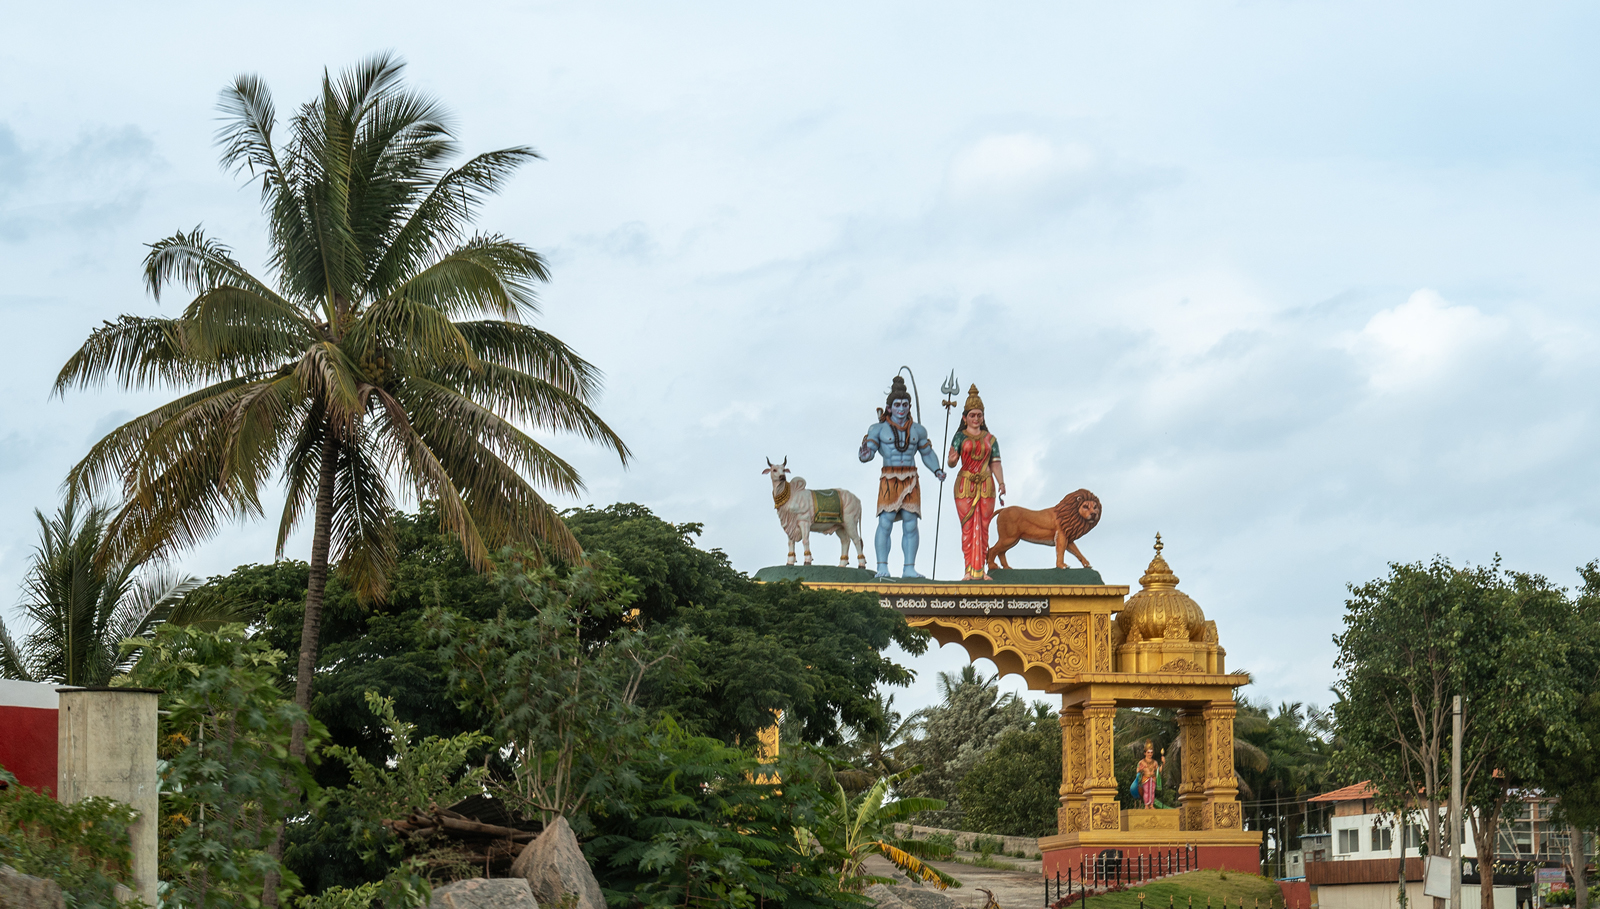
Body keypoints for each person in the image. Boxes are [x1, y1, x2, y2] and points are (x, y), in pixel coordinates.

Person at [859, 375, 946, 578]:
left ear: (909, 406)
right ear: (889, 408)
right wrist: (864, 453)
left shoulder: (917, 430)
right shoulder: (878, 429)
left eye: (905, 405)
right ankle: (882, 566)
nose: (901, 409)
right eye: (897, 405)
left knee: (911, 523)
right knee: (885, 522)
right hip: (889, 478)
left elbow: (926, 453)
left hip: (911, 478)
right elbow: (868, 453)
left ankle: (909, 568)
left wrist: (937, 470)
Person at [946, 384, 1006, 581]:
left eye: (979, 415)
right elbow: (952, 462)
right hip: (965, 485)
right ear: (965, 418)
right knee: (968, 527)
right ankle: (968, 569)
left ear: (983, 417)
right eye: (972, 415)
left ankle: (981, 570)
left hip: (987, 485)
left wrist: (1001, 483)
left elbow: (995, 462)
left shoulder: (991, 439)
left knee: (984, 526)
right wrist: (951, 460)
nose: (976, 418)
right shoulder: (959, 437)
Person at [1131, 740, 1165, 809]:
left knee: (1152, 792)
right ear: (1145, 753)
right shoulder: (1141, 762)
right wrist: (1140, 769)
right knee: (1146, 792)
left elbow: (1158, 771)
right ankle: (1146, 805)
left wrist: (1163, 763)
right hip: (1145, 778)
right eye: (1148, 752)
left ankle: (1151, 805)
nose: (1150, 754)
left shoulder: (1155, 762)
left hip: (1153, 779)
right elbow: (1137, 771)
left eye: (1151, 752)